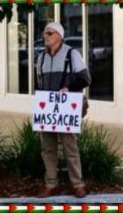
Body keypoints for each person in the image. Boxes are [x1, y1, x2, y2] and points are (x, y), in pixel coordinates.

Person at [35, 22, 90, 199]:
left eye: (49, 33)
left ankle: (78, 184)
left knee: (70, 147)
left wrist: (68, 88)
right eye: (45, 33)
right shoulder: (41, 58)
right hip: (48, 110)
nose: (45, 36)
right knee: (47, 148)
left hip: (66, 109)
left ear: (59, 35)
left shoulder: (71, 54)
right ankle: (50, 183)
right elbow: (39, 84)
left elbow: (85, 78)